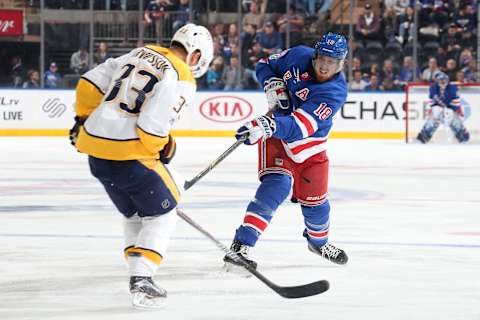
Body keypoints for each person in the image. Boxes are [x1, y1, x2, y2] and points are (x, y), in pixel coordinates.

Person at [69, 23, 213, 308]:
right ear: (195, 56)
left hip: (97, 156)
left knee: (136, 213)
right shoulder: (182, 75)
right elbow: (152, 127)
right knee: (164, 212)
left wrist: (83, 120)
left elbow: (88, 85)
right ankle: (142, 278)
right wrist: (164, 147)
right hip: (129, 158)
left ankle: (137, 269)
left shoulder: (139, 52)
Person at [223, 32, 349, 271]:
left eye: (331, 62)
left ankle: (318, 243)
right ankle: (241, 245)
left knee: (316, 204)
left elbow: (299, 127)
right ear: (315, 55)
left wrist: (267, 125)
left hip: (309, 146)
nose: (324, 65)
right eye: (322, 58)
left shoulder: (334, 92)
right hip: (277, 139)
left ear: (340, 63)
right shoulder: (298, 55)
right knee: (276, 185)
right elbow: (265, 64)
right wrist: (271, 82)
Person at [417, 72, 470, 144]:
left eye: (444, 80)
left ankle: (463, 136)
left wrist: (446, 108)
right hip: (437, 106)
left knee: (450, 115)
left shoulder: (453, 88)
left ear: (448, 80)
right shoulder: (433, 87)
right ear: (437, 81)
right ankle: (423, 136)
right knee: (436, 114)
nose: (442, 82)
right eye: (441, 80)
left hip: (451, 106)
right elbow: (433, 100)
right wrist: (439, 108)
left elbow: (455, 102)